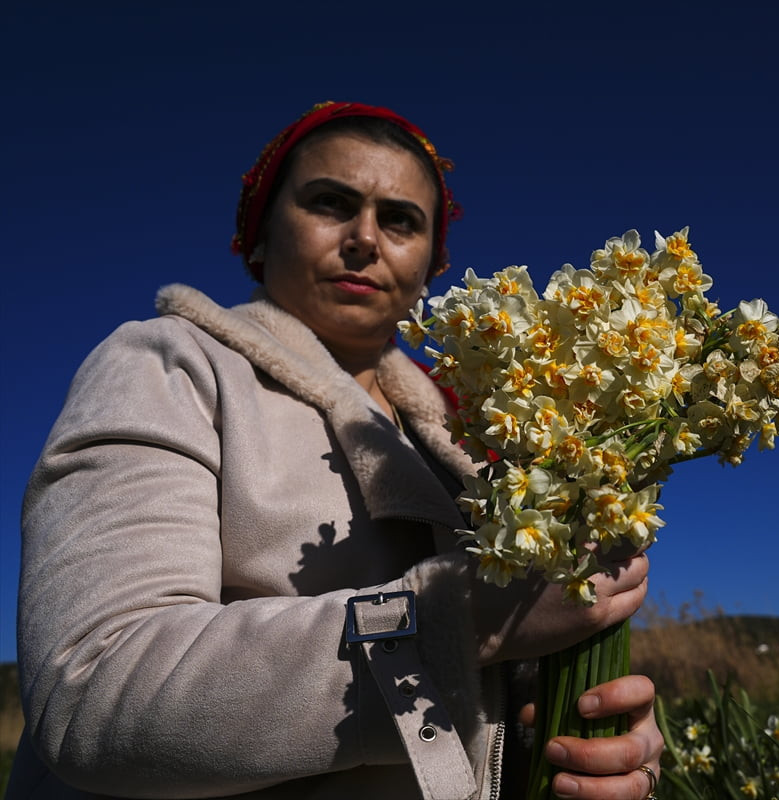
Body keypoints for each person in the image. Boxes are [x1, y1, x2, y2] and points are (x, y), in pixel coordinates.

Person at [11, 101, 663, 800]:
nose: (365, 239)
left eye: (401, 220)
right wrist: (462, 619)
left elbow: (491, 707)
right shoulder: (167, 366)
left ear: (430, 265)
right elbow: (96, 689)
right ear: (258, 236)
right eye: (330, 203)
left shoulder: (474, 442)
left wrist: (586, 737)